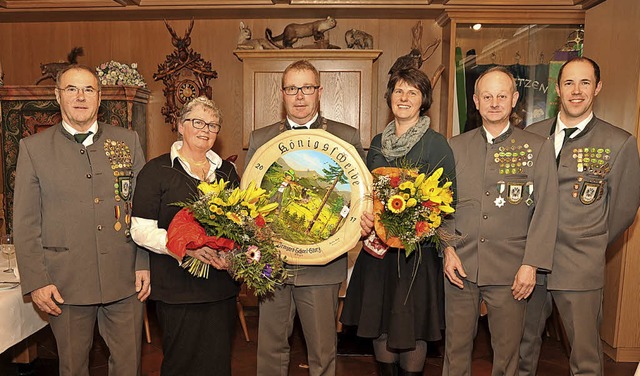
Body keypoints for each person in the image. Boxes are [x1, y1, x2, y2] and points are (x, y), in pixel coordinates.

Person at [13, 64, 150, 376]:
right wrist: (37, 281)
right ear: (58, 96)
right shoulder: (33, 149)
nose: (80, 96)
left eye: (88, 89)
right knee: (73, 368)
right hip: (65, 284)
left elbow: (142, 209)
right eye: (71, 89)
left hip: (124, 278)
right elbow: (25, 222)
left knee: (129, 367)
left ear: (99, 98)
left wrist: (143, 262)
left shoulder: (127, 141)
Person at [519, 57, 640, 376]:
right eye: (569, 82)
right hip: (529, 264)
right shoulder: (531, 135)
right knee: (519, 349)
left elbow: (624, 210)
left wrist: (589, 238)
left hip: (579, 265)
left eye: (585, 82)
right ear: (558, 89)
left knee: (585, 359)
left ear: (597, 88)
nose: (576, 90)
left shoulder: (619, 142)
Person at [245, 59, 365, 376]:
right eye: (292, 88)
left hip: (322, 269)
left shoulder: (346, 136)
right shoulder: (261, 139)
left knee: (323, 353)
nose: (300, 96)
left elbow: (361, 197)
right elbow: (247, 202)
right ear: (283, 93)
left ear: (319, 92)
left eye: (307, 88)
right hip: (272, 265)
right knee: (270, 351)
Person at [442, 66, 558, 376]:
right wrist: (447, 250)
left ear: (515, 99)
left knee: (508, 357)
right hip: (460, 266)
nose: (495, 103)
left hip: (512, 270)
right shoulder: (454, 146)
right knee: (455, 352)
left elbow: (546, 210)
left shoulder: (537, 148)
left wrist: (531, 264)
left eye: (502, 96)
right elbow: (439, 205)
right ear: (476, 102)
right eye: (487, 96)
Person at [340, 68, 456, 376]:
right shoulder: (378, 142)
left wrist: (415, 223)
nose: (404, 98)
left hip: (416, 254)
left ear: (423, 101)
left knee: (412, 329)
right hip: (377, 254)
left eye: (412, 92)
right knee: (380, 326)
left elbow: (448, 198)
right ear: (390, 97)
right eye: (399, 91)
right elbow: (365, 193)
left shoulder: (435, 144)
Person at [131, 96, 240, 376]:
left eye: (213, 125)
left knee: (218, 364)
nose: (205, 129)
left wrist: (233, 253)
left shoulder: (227, 172)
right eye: (198, 122)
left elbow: (241, 224)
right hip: (177, 289)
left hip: (220, 288)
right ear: (180, 125)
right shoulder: (156, 171)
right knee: (181, 364)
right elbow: (140, 229)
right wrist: (185, 247)